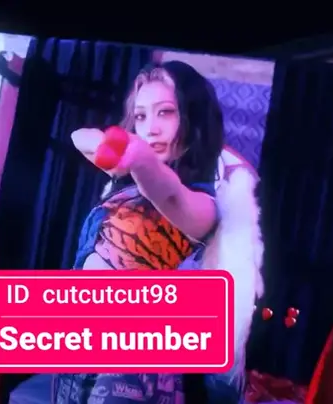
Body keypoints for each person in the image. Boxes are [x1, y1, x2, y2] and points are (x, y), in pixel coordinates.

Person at [52, 60, 263, 404]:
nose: (150, 129)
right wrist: (117, 151)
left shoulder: (201, 203)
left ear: (193, 118)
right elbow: (78, 137)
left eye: (165, 112)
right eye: (140, 116)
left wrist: (136, 156)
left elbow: (166, 191)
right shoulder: (128, 187)